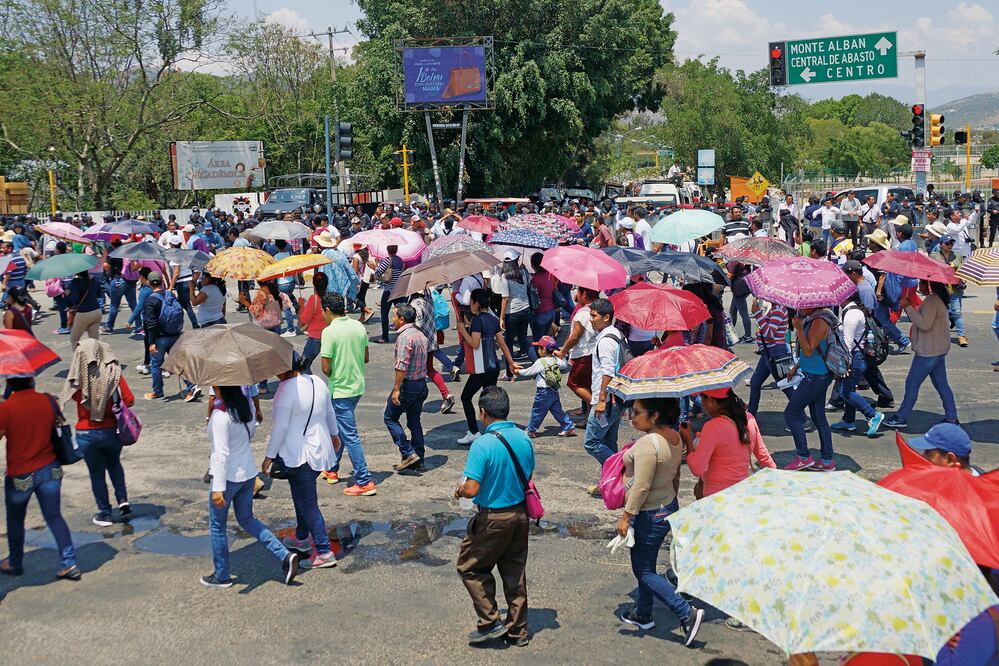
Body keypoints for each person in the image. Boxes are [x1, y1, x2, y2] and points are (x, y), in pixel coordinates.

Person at [617, 397, 704, 646]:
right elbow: (674, 475)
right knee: (647, 563)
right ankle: (642, 612)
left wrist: (626, 517)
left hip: (649, 512)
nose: (631, 417)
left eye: (636, 412)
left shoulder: (649, 443)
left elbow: (642, 486)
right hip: (666, 505)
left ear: (654, 416)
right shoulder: (673, 436)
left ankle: (686, 613)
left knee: (643, 571)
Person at [454, 386, 534, 647]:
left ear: (483, 412)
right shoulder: (524, 438)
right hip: (520, 514)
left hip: (493, 518)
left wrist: (460, 490)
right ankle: (518, 631)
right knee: (514, 572)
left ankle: (490, 622)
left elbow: (472, 488)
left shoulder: (482, 444)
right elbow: (528, 474)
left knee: (470, 567)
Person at [203, 385, 300, 588]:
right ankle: (284, 555)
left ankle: (221, 575)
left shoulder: (220, 416)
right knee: (247, 519)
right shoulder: (244, 408)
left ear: (220, 388)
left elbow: (220, 454)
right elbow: (250, 434)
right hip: (247, 474)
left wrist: (218, 488)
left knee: (217, 526)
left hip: (228, 477)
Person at [0, 376, 81, 580]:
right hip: (50, 468)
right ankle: (69, 563)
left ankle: (15, 562)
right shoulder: (47, 400)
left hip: (20, 473)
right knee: (54, 516)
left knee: (16, 519)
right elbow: (59, 425)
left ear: (9, 383)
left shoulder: (6, 408)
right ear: (31, 380)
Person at [264, 361, 341, 569]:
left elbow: (280, 427)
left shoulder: (284, 390)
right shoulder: (317, 381)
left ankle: (324, 552)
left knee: (308, 503)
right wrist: (335, 435)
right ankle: (301, 536)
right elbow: (329, 412)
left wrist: (269, 456)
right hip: (320, 449)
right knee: (300, 495)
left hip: (298, 453)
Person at [61, 339, 135, 526]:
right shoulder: (114, 373)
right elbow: (130, 400)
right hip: (111, 430)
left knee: (96, 474)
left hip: (86, 432)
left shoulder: (80, 374)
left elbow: (73, 395)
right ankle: (123, 500)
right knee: (114, 465)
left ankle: (105, 513)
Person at [319, 293, 375, 496]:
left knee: (349, 435)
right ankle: (332, 469)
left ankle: (364, 480)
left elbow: (325, 368)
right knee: (341, 429)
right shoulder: (358, 326)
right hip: (357, 386)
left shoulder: (329, 332)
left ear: (326, 310)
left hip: (341, 389)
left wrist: (335, 370)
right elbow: (366, 357)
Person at [885, 280, 958, 430]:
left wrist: (908, 308)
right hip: (937, 350)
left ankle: (902, 416)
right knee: (942, 385)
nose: (919, 287)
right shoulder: (937, 299)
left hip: (928, 352)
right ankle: (951, 417)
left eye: (922, 283)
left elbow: (924, 324)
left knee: (912, 383)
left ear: (928, 285)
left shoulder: (932, 300)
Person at [682, 388, 775, 497]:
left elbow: (697, 468)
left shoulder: (712, 427)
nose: (702, 403)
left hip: (716, 499)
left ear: (711, 401)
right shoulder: (749, 419)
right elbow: (765, 459)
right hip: (742, 495)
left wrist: (688, 439)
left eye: (702, 398)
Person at [455, 288, 519, 445]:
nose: (470, 304)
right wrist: (510, 362)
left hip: (481, 367)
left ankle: (473, 431)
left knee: (466, 397)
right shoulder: (492, 318)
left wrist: (463, 330)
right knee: (489, 399)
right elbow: (502, 343)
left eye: (471, 302)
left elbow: (474, 344)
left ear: (476, 303)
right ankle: (493, 429)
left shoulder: (478, 320)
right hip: (494, 366)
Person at [783, 306, 836, 471]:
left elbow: (808, 350)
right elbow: (812, 352)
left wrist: (798, 329)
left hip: (816, 376)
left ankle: (804, 457)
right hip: (815, 373)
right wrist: (797, 366)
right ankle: (827, 461)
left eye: (803, 304)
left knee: (791, 413)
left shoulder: (819, 321)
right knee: (818, 416)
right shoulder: (814, 318)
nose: (799, 307)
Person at [829, 294, 885, 437]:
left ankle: (872, 415)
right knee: (848, 388)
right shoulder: (851, 310)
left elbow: (847, 343)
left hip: (853, 359)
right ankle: (848, 420)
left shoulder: (852, 314)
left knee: (846, 392)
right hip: (856, 358)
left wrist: (842, 365)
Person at [583, 298, 626, 480]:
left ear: (606, 317)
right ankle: (611, 484)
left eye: (594, 316)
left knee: (591, 442)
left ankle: (622, 470)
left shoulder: (606, 340)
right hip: (615, 398)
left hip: (607, 401)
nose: (591, 320)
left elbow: (607, 372)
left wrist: (601, 400)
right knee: (609, 441)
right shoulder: (615, 333)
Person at [385, 304, 429, 472]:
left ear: (402, 319)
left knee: (390, 417)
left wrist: (396, 389)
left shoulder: (405, 337)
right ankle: (419, 459)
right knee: (414, 421)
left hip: (408, 385)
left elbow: (401, 366)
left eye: (394, 317)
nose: (393, 320)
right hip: (421, 384)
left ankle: (408, 452)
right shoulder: (420, 334)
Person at [143, 271, 194, 402]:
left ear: (149, 283)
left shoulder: (150, 300)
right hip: (175, 334)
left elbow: (151, 323)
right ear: (162, 282)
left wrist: (151, 342)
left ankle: (158, 392)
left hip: (160, 338)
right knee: (177, 362)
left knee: (156, 365)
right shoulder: (170, 294)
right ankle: (191, 386)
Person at [516, 335, 575, 438]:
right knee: (558, 411)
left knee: (537, 411)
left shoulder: (541, 362)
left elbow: (529, 372)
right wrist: (558, 355)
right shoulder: (555, 360)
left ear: (543, 349)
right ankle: (569, 427)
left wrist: (518, 372)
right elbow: (565, 365)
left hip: (543, 392)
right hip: (553, 390)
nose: (537, 350)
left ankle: (531, 430)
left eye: (539, 348)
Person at [555, 286, 599, 414]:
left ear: (584, 293)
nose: (576, 295)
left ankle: (597, 407)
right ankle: (590, 418)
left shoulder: (584, 313)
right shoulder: (598, 308)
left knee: (574, 383)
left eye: (578, 293)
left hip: (584, 353)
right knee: (589, 385)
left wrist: (563, 352)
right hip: (594, 352)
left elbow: (575, 336)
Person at [746, 299, 794, 415]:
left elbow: (769, 333)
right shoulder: (774, 308)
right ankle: (751, 414)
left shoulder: (778, 309)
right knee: (755, 383)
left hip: (775, 352)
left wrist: (757, 314)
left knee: (786, 386)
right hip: (768, 352)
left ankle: (801, 417)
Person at [495, 249, 538, 377]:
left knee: (508, 342)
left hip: (512, 313)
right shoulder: (523, 272)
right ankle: (537, 365)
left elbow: (505, 298)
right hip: (526, 310)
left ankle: (509, 373)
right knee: (523, 340)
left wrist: (501, 317)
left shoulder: (505, 276)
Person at [930, 235, 967, 347]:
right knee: (941, 313)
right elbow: (930, 271)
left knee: (957, 313)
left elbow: (962, 272)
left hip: (954, 288)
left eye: (952, 243)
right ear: (941, 245)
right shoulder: (934, 256)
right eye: (947, 243)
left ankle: (961, 336)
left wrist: (954, 269)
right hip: (940, 288)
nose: (950, 245)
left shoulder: (957, 256)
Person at [372, 244, 406, 343]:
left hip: (389, 290)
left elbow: (378, 273)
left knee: (384, 313)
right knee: (401, 314)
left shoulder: (387, 260)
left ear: (387, 250)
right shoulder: (400, 260)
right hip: (399, 290)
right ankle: (402, 335)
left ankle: (384, 337)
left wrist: (375, 266)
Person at [298, 272, 329, 372]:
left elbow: (303, 320)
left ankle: (311, 385)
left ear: (314, 284)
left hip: (316, 337)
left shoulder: (314, 299)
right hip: (330, 336)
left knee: (303, 365)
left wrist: (301, 306)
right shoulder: (331, 297)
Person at [66, 269, 102, 348]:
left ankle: (78, 359)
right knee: (95, 340)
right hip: (96, 311)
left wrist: (67, 293)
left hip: (84, 313)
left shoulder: (76, 282)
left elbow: (74, 299)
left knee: (74, 339)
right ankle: (96, 358)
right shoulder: (94, 279)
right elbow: (99, 294)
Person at [529, 253, 557, 342]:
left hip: (540, 312)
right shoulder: (550, 274)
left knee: (538, 341)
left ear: (533, 265)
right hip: (551, 311)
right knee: (545, 339)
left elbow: (534, 297)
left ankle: (539, 355)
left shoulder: (535, 279)